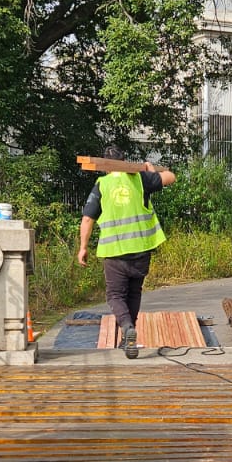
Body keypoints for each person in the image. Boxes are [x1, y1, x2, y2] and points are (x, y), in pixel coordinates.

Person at [77, 146, 176, 358]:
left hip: (114, 252)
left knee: (114, 295)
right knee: (134, 292)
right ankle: (127, 337)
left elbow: (87, 219)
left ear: (105, 166)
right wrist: (151, 171)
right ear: (124, 160)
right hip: (141, 250)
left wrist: (83, 247)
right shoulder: (140, 178)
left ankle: (126, 327)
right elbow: (171, 176)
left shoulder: (102, 185)